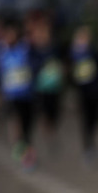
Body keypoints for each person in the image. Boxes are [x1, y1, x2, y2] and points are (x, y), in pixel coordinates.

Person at [0, 18, 37, 169]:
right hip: (11, 97)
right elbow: (0, 74)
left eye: (12, 34)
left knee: (27, 128)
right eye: (7, 35)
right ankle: (21, 151)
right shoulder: (1, 52)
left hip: (27, 96)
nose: (9, 37)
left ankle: (27, 153)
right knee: (16, 123)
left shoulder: (24, 49)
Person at [69, 24, 98, 166]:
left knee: (95, 120)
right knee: (86, 121)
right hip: (83, 95)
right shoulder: (74, 56)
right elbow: (73, 78)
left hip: (96, 94)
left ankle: (91, 142)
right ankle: (88, 147)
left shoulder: (96, 53)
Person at [27, 13, 64, 156]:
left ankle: (51, 132)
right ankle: (48, 136)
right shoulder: (33, 50)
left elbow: (62, 64)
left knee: (54, 115)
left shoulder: (55, 49)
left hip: (54, 89)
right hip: (40, 89)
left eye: (45, 32)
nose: (42, 35)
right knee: (43, 114)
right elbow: (31, 67)